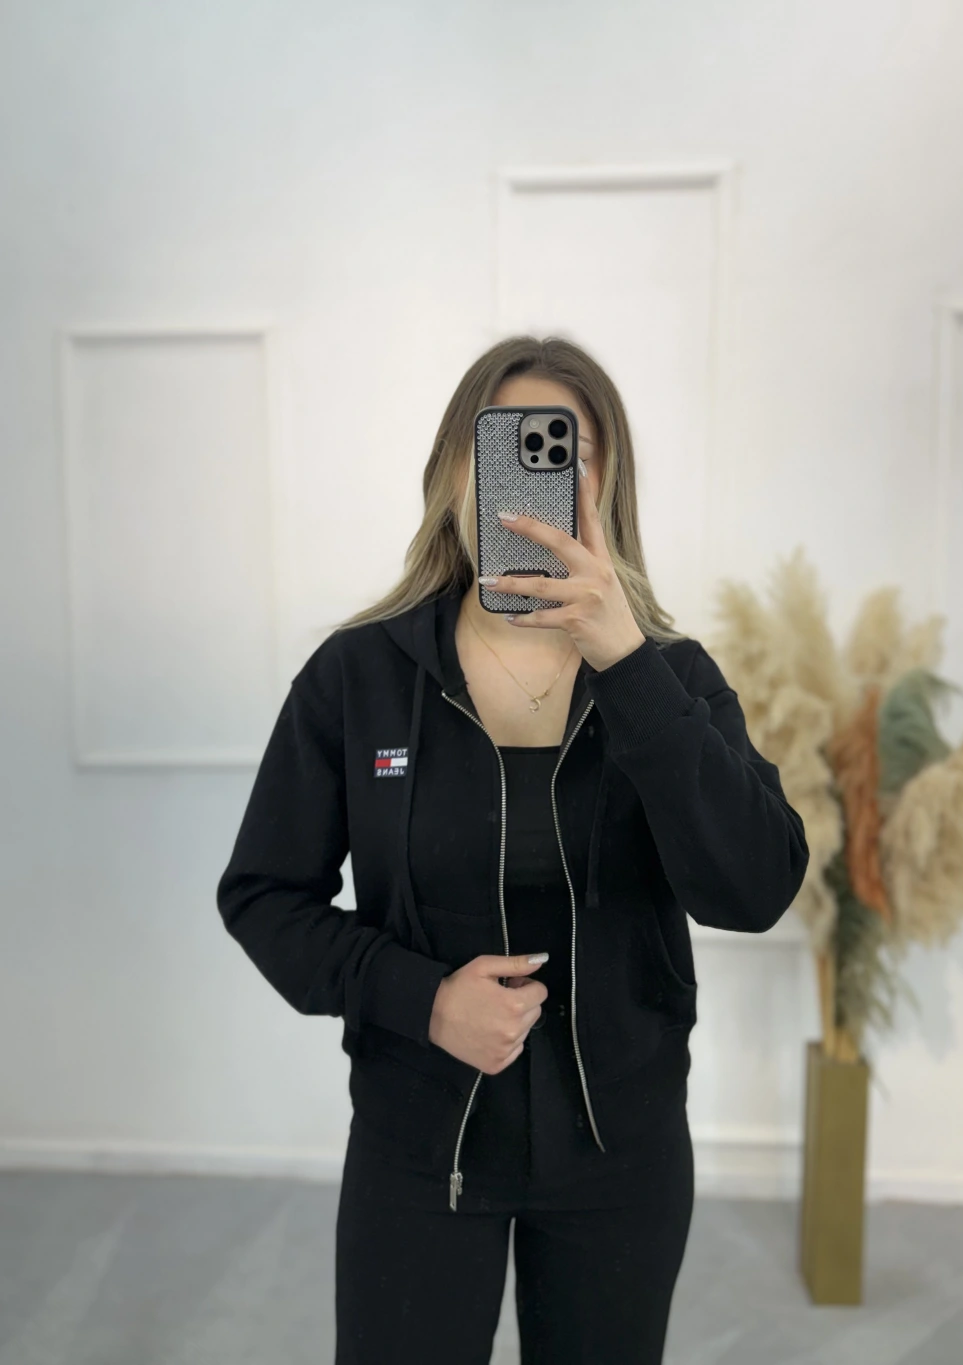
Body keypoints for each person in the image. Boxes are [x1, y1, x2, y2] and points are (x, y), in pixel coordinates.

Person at [216, 334, 810, 1364]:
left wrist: (625, 663)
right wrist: (422, 999)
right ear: (458, 471)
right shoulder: (359, 676)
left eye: (567, 451)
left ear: (606, 483)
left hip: (619, 1154)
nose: (537, 476)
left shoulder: (669, 678)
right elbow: (264, 895)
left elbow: (755, 887)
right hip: (417, 1144)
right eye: (507, 446)